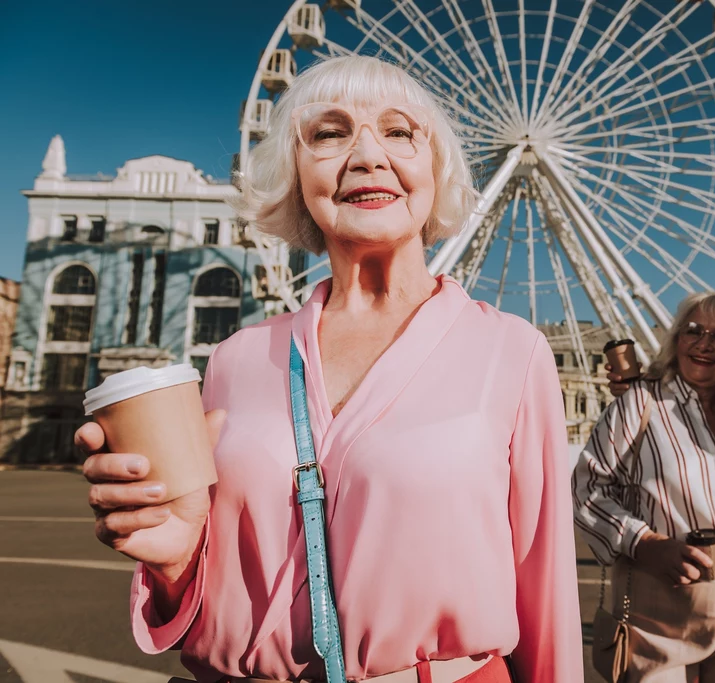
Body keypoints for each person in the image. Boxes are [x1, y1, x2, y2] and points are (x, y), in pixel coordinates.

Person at [77, 55, 584, 683]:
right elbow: (208, 586)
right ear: (294, 174)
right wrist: (175, 562)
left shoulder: (512, 351)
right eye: (329, 133)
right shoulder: (237, 358)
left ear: (436, 168)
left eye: (400, 132)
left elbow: (547, 590)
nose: (368, 155)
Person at [575, 293, 715, 683]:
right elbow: (588, 489)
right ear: (676, 340)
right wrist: (644, 542)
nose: (704, 344)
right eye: (692, 331)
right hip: (660, 608)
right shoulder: (641, 402)